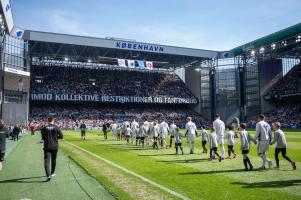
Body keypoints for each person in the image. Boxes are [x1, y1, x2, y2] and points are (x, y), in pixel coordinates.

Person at [41, 117, 63, 181]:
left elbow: (43, 137)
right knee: (54, 159)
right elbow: (61, 136)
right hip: (55, 146)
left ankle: (48, 175)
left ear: (48, 121)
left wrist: (47, 138)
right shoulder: (56, 127)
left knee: (46, 161)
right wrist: (55, 137)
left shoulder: (45, 128)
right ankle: (52, 173)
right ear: (53, 120)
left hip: (47, 146)